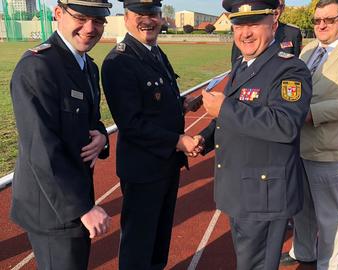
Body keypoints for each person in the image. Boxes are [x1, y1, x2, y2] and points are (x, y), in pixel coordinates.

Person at [191, 0, 312, 269]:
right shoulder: (243, 63)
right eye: (238, 25)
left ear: (274, 23)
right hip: (242, 189)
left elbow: (285, 124)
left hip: (263, 195)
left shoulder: (289, 68)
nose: (245, 33)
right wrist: (205, 138)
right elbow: (233, 115)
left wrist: (223, 107)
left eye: (254, 24)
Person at [10, 0, 112, 268]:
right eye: (80, 17)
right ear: (58, 14)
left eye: (98, 20)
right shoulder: (37, 66)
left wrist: (101, 136)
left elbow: (91, 120)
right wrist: (82, 207)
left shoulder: (88, 66)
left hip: (73, 191)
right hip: (52, 208)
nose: (90, 28)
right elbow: (40, 147)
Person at [101, 0, 201, 269]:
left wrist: (182, 103)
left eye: (153, 14)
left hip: (166, 164)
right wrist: (178, 141)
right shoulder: (119, 61)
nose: (148, 20)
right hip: (143, 170)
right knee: (138, 245)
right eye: (140, 14)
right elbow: (131, 123)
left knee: (159, 240)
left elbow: (156, 101)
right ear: (127, 17)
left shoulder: (155, 52)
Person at [280, 0, 338, 269]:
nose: (320, 25)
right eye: (316, 20)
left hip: (332, 148)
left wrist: (313, 113)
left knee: (331, 215)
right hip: (301, 145)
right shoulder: (308, 50)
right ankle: (304, 251)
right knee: (302, 208)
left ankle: (328, 265)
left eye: (328, 20)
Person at [230, 0, 302, 64]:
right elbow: (236, 61)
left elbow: (296, 60)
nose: (275, 9)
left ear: (283, 8)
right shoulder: (242, 35)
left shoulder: (293, 33)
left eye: (279, 6)